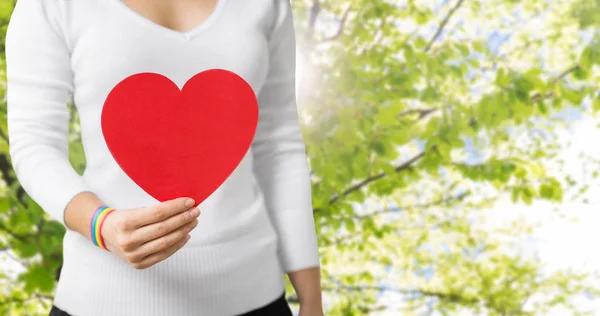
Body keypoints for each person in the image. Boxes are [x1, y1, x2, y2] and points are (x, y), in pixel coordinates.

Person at [5, 0, 323, 315]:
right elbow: (35, 143)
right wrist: (102, 225)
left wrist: (311, 298)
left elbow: (279, 145)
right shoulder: (51, 5)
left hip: (257, 297)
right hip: (102, 301)